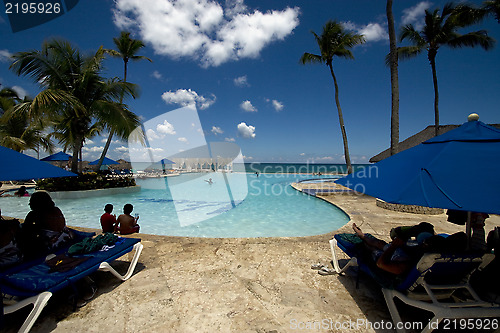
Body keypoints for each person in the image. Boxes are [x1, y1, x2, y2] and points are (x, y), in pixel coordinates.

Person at [352, 223, 435, 275]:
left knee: (372, 249)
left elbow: (381, 264)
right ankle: (361, 235)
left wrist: (393, 246)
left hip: (388, 259)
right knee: (380, 243)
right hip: (401, 254)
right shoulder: (430, 252)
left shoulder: (405, 266)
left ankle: (361, 238)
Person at [21, 191, 73, 256]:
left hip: (53, 243)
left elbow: (25, 230)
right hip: (67, 237)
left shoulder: (35, 214)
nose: (29, 204)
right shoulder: (56, 209)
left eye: (31, 202)